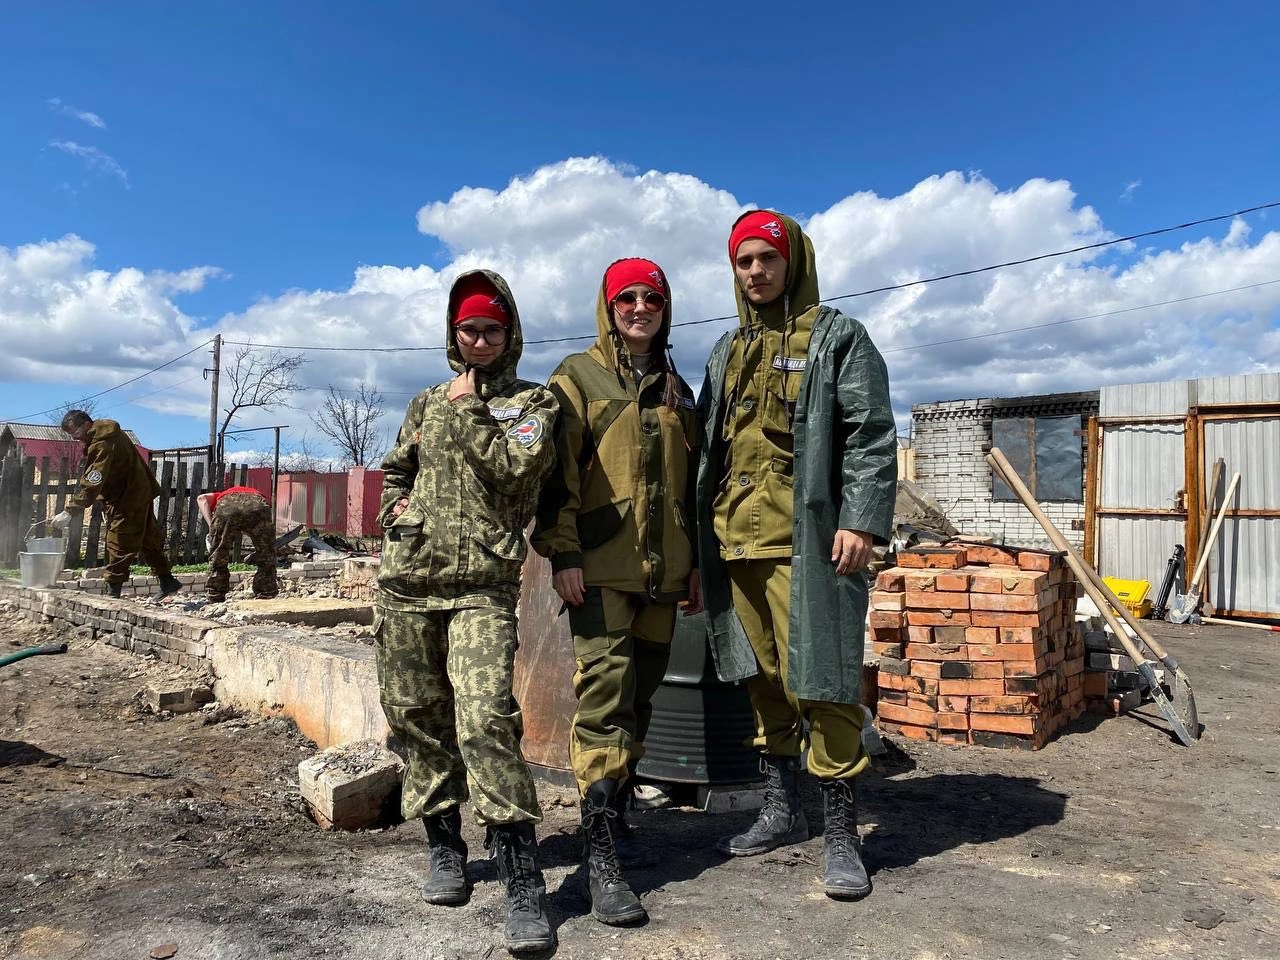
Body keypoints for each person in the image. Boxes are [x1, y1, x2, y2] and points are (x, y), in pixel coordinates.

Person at [694, 211, 897, 901]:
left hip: (808, 543)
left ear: (792, 261)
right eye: (743, 261)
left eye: (767, 258)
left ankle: (841, 832)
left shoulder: (837, 338)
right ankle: (782, 811)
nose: (755, 271)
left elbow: (870, 434)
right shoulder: (726, 351)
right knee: (761, 680)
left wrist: (861, 520)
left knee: (825, 680)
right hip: (734, 542)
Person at [375, 270, 558, 954]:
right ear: (454, 334)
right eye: (468, 330)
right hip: (408, 582)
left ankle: (520, 877)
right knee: (416, 716)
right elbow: (397, 468)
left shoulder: (532, 402)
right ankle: (445, 846)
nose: (479, 341)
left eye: (491, 330)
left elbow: (516, 471)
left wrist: (472, 408)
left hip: (483, 583)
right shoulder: (425, 402)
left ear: (510, 334)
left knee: (484, 717)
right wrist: (398, 512)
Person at [532, 258, 702, 926]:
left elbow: (693, 483)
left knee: (641, 695)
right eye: (626, 297)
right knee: (604, 699)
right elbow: (555, 475)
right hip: (600, 569)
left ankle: (620, 811)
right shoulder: (577, 377)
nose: (639, 307)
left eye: (651, 298)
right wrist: (564, 553)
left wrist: (694, 564)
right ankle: (598, 855)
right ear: (608, 307)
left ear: (665, 308)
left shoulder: (676, 387)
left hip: (664, 575)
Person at [52, 410, 183, 601]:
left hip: (128, 497)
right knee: (148, 540)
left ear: (87, 424)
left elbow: (94, 478)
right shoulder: (106, 436)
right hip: (137, 492)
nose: (76, 438)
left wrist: (71, 510)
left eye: (76, 433)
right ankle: (167, 581)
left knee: (118, 542)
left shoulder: (103, 442)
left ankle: (112, 594)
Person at [195, 485, 278, 602]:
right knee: (267, 553)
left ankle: (215, 595)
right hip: (257, 504)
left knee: (218, 555)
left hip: (227, 506)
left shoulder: (221, 495)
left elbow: (201, 498)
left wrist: (211, 526)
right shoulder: (253, 492)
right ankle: (266, 592)